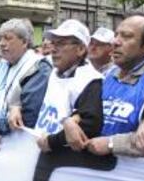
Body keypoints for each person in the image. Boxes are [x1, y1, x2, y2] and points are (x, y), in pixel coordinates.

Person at [87, 13, 144, 161]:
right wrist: (71, 120)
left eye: (126, 36)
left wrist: (113, 144)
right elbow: (85, 110)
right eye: (116, 34)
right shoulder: (108, 73)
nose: (115, 42)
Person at [0, 18, 50, 152]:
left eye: (8, 39)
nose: (1, 44)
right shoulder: (0, 68)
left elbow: (28, 115)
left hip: (24, 149)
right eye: (1, 38)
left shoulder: (38, 68)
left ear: (24, 42)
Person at [34, 19, 103, 153]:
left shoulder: (91, 80)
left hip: (65, 161)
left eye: (60, 44)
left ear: (81, 49)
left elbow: (89, 124)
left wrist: (51, 141)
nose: (53, 49)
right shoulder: (55, 72)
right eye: (53, 43)